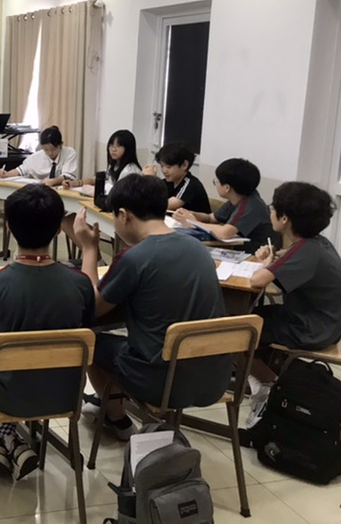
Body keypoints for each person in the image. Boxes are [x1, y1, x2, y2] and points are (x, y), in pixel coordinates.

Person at [73, 174, 231, 440]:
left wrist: (89, 249)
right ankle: (110, 406)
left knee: (91, 342)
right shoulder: (198, 248)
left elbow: (91, 307)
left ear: (123, 215)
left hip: (163, 384)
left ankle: (117, 417)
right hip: (214, 377)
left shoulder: (134, 258)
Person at [0, 184, 94, 480]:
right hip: (67, 394)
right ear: (59, 230)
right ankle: (11, 442)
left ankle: (5, 437)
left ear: (8, 227)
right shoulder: (80, 284)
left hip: (9, 399)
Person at [245, 182, 341, 427]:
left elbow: (257, 280)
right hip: (319, 321)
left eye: (273, 207)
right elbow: (285, 264)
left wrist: (265, 265)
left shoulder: (307, 251)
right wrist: (273, 259)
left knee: (235, 330)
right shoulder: (316, 243)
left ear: (285, 218)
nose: (270, 211)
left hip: (311, 328)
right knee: (249, 316)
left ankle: (271, 388)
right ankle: (264, 379)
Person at [173, 157, 272, 253]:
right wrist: (191, 214)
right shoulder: (238, 197)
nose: (215, 184)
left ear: (227, 188)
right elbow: (211, 218)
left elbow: (225, 233)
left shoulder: (251, 205)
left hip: (255, 255)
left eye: (216, 181)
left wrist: (193, 222)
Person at [61, 129, 141, 242]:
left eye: (119, 146)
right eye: (111, 145)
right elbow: (99, 180)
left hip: (122, 214)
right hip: (109, 207)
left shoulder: (130, 170)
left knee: (72, 222)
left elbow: (120, 195)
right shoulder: (115, 165)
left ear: (128, 149)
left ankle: (91, 252)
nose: (113, 149)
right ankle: (91, 251)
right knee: (67, 222)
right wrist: (75, 183)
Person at [0, 126, 78, 187]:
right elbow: (20, 170)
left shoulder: (69, 153)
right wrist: (6, 174)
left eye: (53, 149)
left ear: (61, 144)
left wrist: (53, 181)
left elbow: (67, 176)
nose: (50, 153)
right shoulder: (36, 156)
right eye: (46, 149)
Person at [143, 142, 211, 214]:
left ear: (184, 165)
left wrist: (149, 179)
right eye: (162, 166)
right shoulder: (167, 182)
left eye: (168, 167)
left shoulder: (191, 185)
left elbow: (164, 206)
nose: (164, 171)